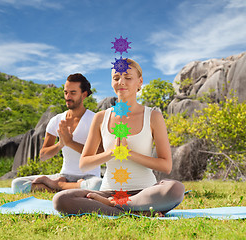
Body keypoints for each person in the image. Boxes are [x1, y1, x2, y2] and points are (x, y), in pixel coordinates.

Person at [53, 59, 185, 216]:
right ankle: (136, 212)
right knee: (61, 200)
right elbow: (84, 164)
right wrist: (111, 152)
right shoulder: (101, 117)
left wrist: (129, 153)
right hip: (109, 191)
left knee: (175, 189)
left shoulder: (153, 116)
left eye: (128, 77)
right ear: (111, 82)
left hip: (145, 193)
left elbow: (166, 165)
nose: (121, 82)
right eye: (116, 78)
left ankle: (116, 207)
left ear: (139, 82)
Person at [11, 73, 102, 193]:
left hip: (88, 177)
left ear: (84, 94)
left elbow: (101, 153)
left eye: (73, 93)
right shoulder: (56, 120)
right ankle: (65, 186)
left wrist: (70, 142)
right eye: (65, 92)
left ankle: (57, 186)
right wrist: (60, 144)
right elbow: (43, 156)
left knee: (97, 185)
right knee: (17, 184)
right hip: (64, 175)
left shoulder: (95, 119)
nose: (68, 97)